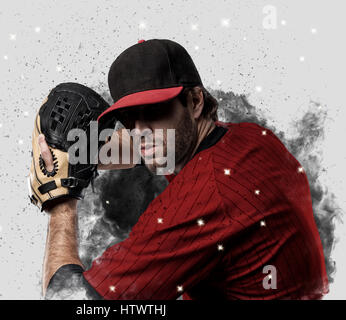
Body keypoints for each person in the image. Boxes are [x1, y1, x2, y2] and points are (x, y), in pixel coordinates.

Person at [39, 39, 329, 299]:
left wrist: (60, 198)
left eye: (154, 111)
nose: (139, 133)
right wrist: (76, 149)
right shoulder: (250, 137)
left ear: (194, 101)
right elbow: (151, 145)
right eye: (129, 119)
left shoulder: (206, 194)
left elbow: (69, 299)